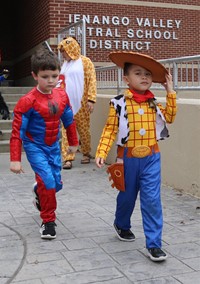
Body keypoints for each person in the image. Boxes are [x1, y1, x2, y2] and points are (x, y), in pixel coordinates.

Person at [95, 51, 177, 262]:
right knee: (127, 197)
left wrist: (170, 92)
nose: (144, 77)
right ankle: (121, 224)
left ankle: (154, 244)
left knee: (151, 200)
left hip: (151, 158)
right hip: (127, 158)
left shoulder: (154, 103)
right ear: (126, 78)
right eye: (138, 73)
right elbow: (110, 130)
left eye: (148, 74)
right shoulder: (118, 103)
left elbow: (170, 117)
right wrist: (102, 151)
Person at [10, 48, 78, 239]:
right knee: (47, 182)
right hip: (35, 146)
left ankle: (39, 191)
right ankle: (48, 221)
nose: (50, 80)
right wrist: (15, 159)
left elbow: (69, 120)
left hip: (53, 145)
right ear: (34, 75)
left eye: (54, 76)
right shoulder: (27, 102)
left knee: (56, 185)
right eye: (45, 76)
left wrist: (73, 142)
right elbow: (17, 133)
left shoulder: (62, 96)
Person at [57, 36, 97, 169]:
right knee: (66, 130)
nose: (63, 54)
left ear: (71, 49)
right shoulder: (65, 65)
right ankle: (68, 158)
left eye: (64, 51)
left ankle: (86, 152)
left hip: (82, 103)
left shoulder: (85, 62)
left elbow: (92, 80)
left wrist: (91, 99)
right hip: (66, 105)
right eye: (62, 52)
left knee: (84, 129)